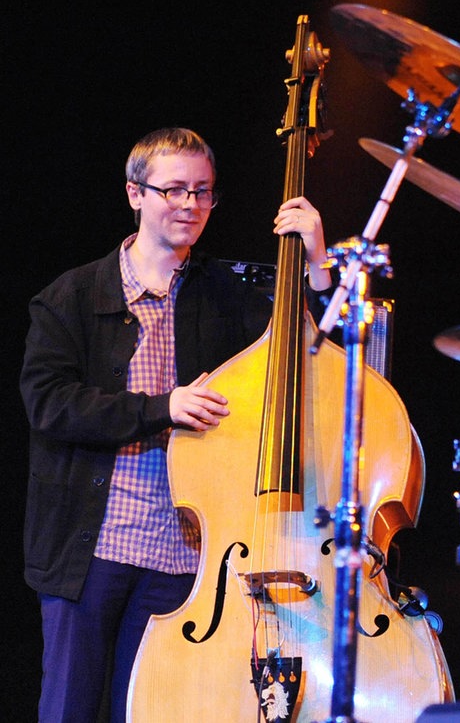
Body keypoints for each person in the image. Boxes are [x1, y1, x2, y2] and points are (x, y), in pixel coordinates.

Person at [20, 127, 332, 723]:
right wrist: (162, 407)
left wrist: (316, 262)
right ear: (135, 194)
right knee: (69, 711)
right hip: (91, 547)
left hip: (184, 554)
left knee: (153, 712)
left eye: (203, 192)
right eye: (174, 190)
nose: (190, 205)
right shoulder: (72, 296)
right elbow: (50, 405)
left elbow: (315, 356)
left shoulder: (227, 292)